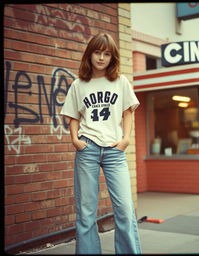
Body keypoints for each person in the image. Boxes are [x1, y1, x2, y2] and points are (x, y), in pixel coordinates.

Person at [60, 33, 142, 254]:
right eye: (97, 52)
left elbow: (127, 113)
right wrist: (75, 140)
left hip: (115, 150)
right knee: (86, 211)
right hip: (88, 148)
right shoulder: (79, 85)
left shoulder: (120, 81)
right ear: (90, 54)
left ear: (112, 57)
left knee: (125, 208)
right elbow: (73, 116)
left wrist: (125, 140)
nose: (101, 58)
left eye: (107, 53)